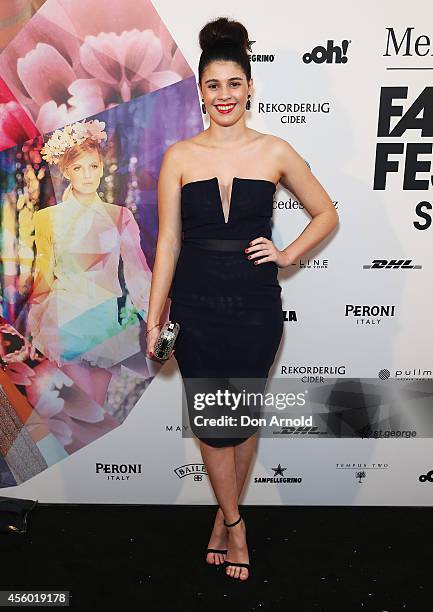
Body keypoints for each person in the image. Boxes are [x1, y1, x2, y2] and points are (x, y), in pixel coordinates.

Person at [146, 17, 339, 581]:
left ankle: (222, 519)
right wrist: (156, 315)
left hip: (255, 305)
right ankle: (235, 523)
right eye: (213, 85)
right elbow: (168, 243)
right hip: (196, 304)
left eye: (234, 83)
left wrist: (289, 254)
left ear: (250, 87)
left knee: (244, 418)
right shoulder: (179, 156)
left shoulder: (275, 149)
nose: (224, 95)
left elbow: (326, 213)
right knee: (212, 420)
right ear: (201, 92)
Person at [28, 120, 152, 406]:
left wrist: (155, 321)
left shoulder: (120, 217)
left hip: (106, 322)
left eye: (93, 166)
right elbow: (43, 275)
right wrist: (35, 320)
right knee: (82, 405)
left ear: (102, 166)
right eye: (78, 168)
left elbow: (138, 277)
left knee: (96, 407)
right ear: (66, 171)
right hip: (65, 321)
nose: (87, 175)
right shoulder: (46, 218)